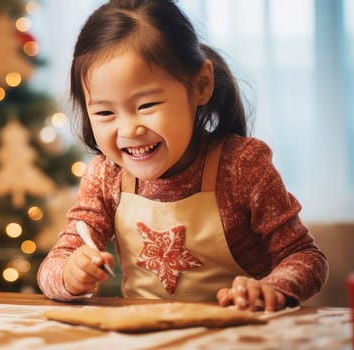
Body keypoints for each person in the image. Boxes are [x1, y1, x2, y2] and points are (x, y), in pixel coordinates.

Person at [37, 0, 327, 312]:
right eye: (105, 112)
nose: (129, 130)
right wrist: (68, 275)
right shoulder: (106, 176)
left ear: (201, 85)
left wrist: (272, 288)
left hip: (238, 337)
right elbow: (52, 267)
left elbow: (306, 257)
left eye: (147, 106)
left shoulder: (242, 166)